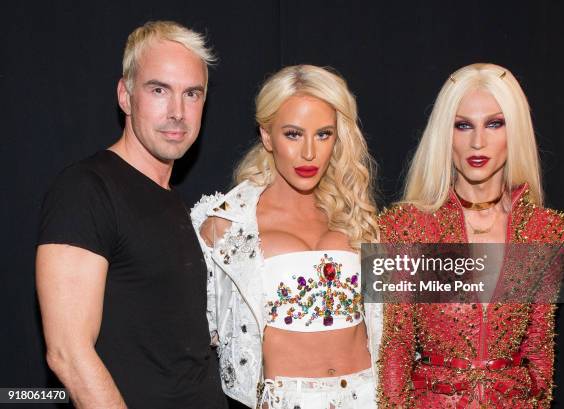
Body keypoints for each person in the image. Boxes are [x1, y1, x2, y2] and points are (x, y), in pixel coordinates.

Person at [36, 21, 227, 409]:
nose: (177, 112)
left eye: (192, 94)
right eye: (159, 90)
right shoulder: (86, 189)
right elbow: (68, 353)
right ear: (125, 96)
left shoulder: (172, 200)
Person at [377, 63, 564, 408]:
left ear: (515, 131)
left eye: (495, 123)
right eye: (463, 125)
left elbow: (539, 355)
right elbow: (394, 350)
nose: (478, 142)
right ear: (445, 133)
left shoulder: (548, 232)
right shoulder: (403, 227)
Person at [191, 65, 380, 408]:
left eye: (323, 134)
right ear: (267, 135)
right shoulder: (227, 227)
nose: (309, 152)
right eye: (293, 134)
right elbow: (193, 340)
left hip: (367, 396)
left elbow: (406, 326)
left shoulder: (356, 217)